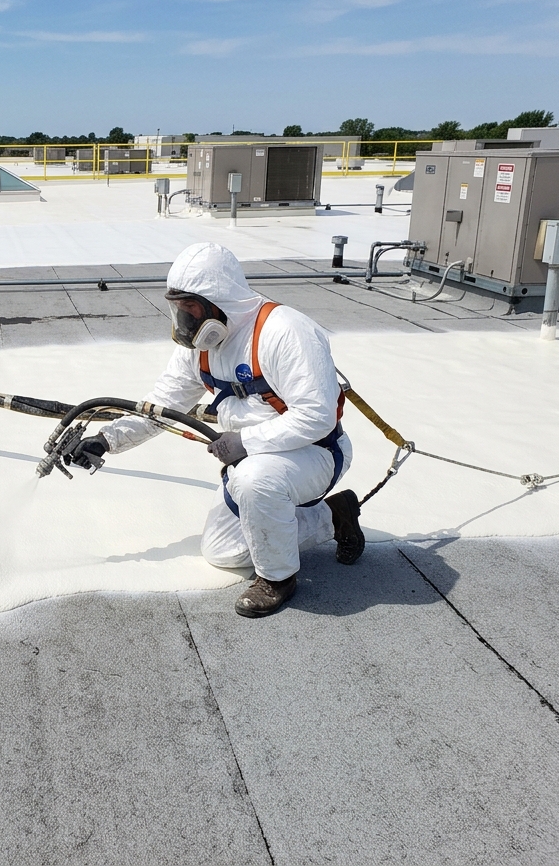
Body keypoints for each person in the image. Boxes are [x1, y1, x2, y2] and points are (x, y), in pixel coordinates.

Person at [67, 242, 365, 618]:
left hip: (316, 452)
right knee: (223, 551)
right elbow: (163, 405)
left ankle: (277, 578)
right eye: (177, 308)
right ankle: (334, 516)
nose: (183, 320)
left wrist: (245, 441)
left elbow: (317, 416)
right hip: (253, 457)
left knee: (255, 480)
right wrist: (106, 440)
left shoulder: (284, 331)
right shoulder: (200, 346)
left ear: (218, 300)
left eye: (189, 308)